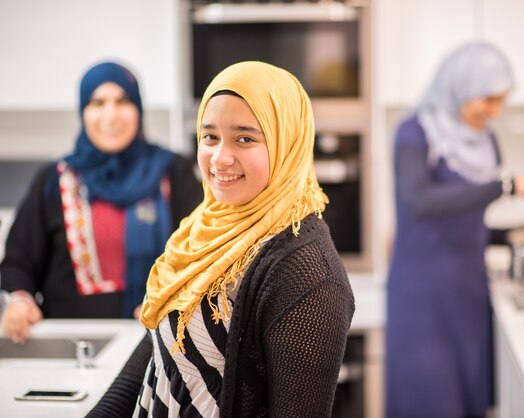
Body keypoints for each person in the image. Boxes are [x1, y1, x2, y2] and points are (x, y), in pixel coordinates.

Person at [87, 61, 355, 417]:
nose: (220, 158)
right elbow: (158, 351)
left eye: (245, 138)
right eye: (210, 137)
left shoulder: (307, 273)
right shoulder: (203, 231)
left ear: (286, 142)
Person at [385, 42, 524, 417]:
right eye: (487, 99)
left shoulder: (487, 141)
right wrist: (504, 186)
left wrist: (519, 233)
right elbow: (419, 202)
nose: (495, 111)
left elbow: (468, 224)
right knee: (431, 404)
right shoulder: (414, 133)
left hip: (470, 299)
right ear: (460, 86)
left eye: (501, 100)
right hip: (422, 300)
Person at [0, 62, 203, 343]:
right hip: (72, 346)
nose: (111, 115)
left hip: (160, 341)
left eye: (122, 101)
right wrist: (20, 300)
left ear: (138, 109)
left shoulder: (173, 172)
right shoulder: (54, 180)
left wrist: (171, 296)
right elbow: (18, 262)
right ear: (83, 111)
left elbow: (203, 252)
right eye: (98, 103)